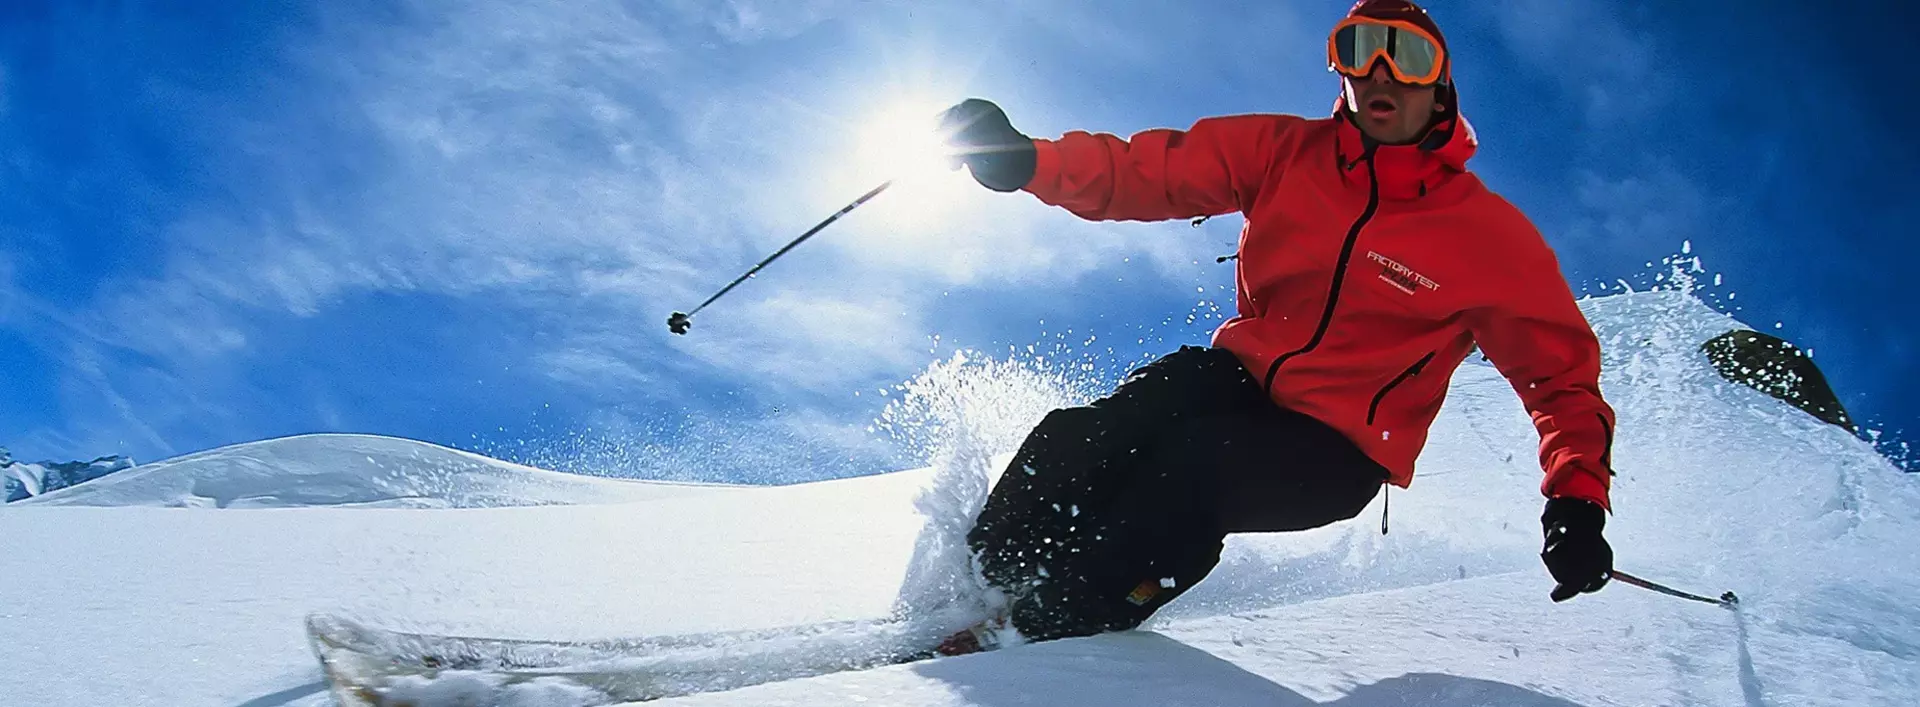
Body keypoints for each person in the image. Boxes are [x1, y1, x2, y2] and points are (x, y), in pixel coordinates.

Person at [931, 0, 1617, 653]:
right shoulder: (1286, 152)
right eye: (1359, 50)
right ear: (1340, 72)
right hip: (1242, 376)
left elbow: (1558, 378)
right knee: (1097, 432)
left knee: (1189, 474)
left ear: (1440, 89)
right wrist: (1031, 161)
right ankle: (981, 584)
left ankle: (1049, 624)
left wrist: (1576, 501)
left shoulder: (1488, 236)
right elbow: (1154, 170)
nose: (1380, 73)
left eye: (1407, 57)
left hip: (1343, 445)